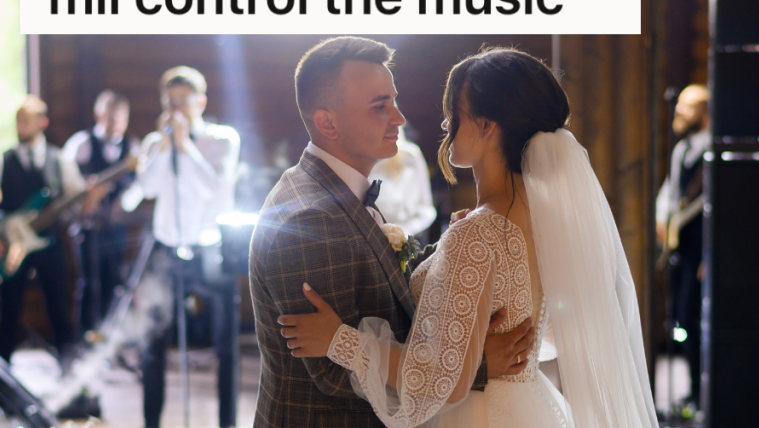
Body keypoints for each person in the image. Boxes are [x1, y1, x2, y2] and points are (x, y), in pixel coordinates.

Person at [281, 48, 659, 428]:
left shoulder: (477, 233)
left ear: (487, 125)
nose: (445, 124)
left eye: (453, 113)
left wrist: (339, 339)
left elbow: (444, 383)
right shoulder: (542, 220)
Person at [249, 37, 537, 428]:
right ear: (327, 122)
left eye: (394, 101)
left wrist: (450, 263)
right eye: (379, 106)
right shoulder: (309, 219)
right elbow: (334, 373)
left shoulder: (339, 190)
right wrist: (476, 364)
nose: (399, 118)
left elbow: (383, 292)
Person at [121, 66, 240, 428]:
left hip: (209, 250)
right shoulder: (155, 143)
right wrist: (163, 148)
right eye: (169, 102)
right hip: (166, 251)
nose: (175, 109)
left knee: (226, 346)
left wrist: (186, 146)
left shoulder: (222, 140)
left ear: (200, 103)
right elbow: (147, 189)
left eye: (183, 102)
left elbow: (217, 192)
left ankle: (227, 423)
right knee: (151, 344)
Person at [0, 95, 103, 362]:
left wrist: (92, 197)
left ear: (43, 123)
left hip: (49, 243)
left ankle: (69, 371)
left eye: (26, 121)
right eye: (18, 121)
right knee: (9, 312)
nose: (20, 127)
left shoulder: (59, 160)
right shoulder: (2, 161)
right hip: (11, 247)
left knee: (59, 309)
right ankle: (0, 371)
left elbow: (79, 205)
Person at [62, 90, 140, 332]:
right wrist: (87, 196)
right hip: (87, 225)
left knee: (114, 280)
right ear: (99, 115)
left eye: (120, 118)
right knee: (88, 281)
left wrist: (125, 202)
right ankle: (85, 335)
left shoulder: (132, 147)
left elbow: (139, 184)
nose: (115, 123)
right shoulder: (81, 143)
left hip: (116, 226)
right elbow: (65, 183)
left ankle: (109, 335)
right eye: (111, 117)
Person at [656, 84, 710, 410]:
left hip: (701, 250)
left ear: (704, 113)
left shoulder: (712, 151)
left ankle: (704, 393)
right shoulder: (682, 150)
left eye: (687, 107)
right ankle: (692, 389)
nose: (678, 112)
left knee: (697, 319)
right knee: (682, 319)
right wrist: (663, 218)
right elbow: (672, 191)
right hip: (681, 249)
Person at [369, 126, 437, 237]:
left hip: (402, 236)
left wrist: (401, 232)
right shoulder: (359, 158)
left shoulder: (409, 156)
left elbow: (426, 210)